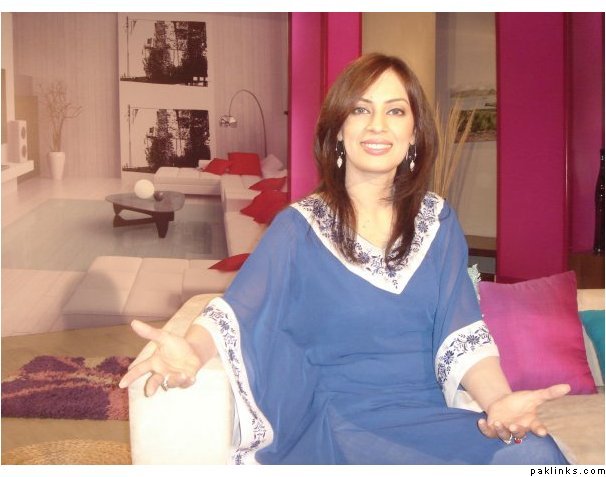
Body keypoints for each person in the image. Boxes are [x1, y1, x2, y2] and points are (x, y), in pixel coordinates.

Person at [119, 53, 570, 465]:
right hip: (341, 423)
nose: (378, 125)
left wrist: (499, 402)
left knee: (537, 454)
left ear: (414, 133)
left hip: (425, 415)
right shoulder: (298, 228)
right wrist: (191, 352)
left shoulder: (439, 221)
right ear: (338, 130)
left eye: (395, 111)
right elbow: (237, 311)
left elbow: (463, 333)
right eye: (360, 109)